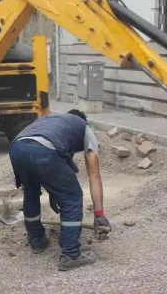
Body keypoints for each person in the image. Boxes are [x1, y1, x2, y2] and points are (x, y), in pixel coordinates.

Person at [9, 110, 111, 271]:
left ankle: (36, 240)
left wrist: (54, 193)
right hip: (44, 149)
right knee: (72, 197)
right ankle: (70, 254)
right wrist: (99, 214)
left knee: (31, 192)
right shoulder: (84, 127)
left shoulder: (52, 120)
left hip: (17, 147)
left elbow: (54, 171)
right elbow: (94, 173)